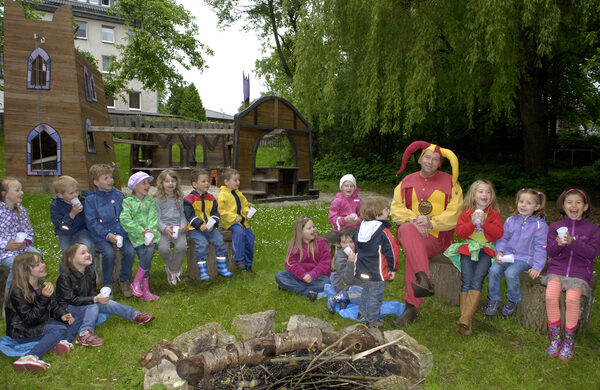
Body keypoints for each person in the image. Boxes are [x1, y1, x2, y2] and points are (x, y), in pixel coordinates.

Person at [390, 141, 462, 327]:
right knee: (406, 229)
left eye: (435, 159)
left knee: (413, 250)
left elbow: (455, 213)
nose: (430, 161)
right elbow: (396, 209)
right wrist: (414, 220)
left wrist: (431, 222)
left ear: (439, 163)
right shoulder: (406, 181)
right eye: (427, 157)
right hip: (412, 233)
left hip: (438, 237)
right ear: (421, 159)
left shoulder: (451, 183)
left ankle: (412, 306)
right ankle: (423, 280)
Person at [55, 243, 155, 348]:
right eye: (82, 253)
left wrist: (98, 297)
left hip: (85, 304)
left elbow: (92, 291)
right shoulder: (65, 277)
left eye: (88, 252)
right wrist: (94, 299)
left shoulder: (90, 272)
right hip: (69, 310)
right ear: (71, 259)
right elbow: (71, 299)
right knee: (93, 305)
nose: (88, 254)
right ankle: (84, 334)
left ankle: (135, 315)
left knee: (108, 303)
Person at [543, 189, 600, 361]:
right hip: (558, 270)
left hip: (580, 271)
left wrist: (573, 242)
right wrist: (560, 244)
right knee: (551, 296)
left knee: (572, 300)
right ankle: (555, 339)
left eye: (578, 202)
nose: (573, 205)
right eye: (569, 202)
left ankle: (568, 342)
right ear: (563, 205)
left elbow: (592, 253)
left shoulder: (593, 229)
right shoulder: (554, 226)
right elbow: (551, 252)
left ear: (585, 206)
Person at [443, 179, 503, 335]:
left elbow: (498, 234)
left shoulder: (494, 214)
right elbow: (461, 233)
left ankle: (465, 317)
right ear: (473, 194)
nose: (485, 195)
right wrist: (471, 222)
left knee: (477, 280)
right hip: (468, 248)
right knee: (467, 280)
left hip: (485, 250)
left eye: (488, 192)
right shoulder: (466, 212)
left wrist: (484, 224)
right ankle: (466, 322)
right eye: (481, 191)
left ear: (492, 195)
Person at [6, 252, 77, 372]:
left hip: (40, 322)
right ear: (26, 270)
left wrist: (62, 314)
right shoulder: (17, 291)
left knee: (71, 321)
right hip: (23, 331)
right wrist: (44, 298)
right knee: (60, 330)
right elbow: (30, 319)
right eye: (37, 264)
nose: (43, 265)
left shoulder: (42, 284)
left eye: (42, 262)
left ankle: (57, 343)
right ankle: (30, 356)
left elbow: (54, 306)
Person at [486, 188, 548, 317]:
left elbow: (540, 247)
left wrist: (537, 266)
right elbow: (503, 238)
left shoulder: (539, 225)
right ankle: (494, 298)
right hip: (508, 255)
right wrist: (500, 251)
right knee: (493, 270)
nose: (524, 205)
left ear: (536, 206)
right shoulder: (510, 220)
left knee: (511, 273)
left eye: (529, 203)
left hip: (525, 258)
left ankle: (513, 299)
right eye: (521, 201)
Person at [84, 164, 135, 297]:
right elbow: (92, 222)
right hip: (102, 235)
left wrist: (121, 232)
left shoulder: (118, 195)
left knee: (129, 251)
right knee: (108, 254)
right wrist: (107, 235)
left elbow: (124, 216)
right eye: (105, 178)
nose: (110, 180)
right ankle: (108, 283)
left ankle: (124, 279)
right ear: (95, 182)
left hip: (121, 233)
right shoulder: (91, 200)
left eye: (111, 177)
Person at [353, 196, 400, 328]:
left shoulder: (361, 228)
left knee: (367, 289)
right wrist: (393, 269)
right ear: (377, 213)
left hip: (362, 268)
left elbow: (356, 246)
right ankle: (372, 320)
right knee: (376, 295)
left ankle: (362, 312)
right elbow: (392, 250)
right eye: (386, 210)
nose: (388, 212)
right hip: (377, 270)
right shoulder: (382, 231)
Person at [184, 168, 232, 281]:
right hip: (194, 229)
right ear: (195, 184)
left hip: (209, 228)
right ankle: (203, 271)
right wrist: (199, 224)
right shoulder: (189, 199)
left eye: (208, 181)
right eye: (203, 181)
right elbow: (189, 215)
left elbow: (215, 213)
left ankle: (221, 267)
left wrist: (213, 224)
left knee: (220, 240)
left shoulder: (211, 198)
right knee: (202, 244)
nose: (207, 183)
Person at [120, 172, 161, 301]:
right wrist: (141, 231)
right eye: (144, 183)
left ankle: (138, 283)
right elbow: (125, 219)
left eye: (148, 183)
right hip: (136, 236)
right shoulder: (128, 202)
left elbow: (153, 217)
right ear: (135, 186)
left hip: (151, 234)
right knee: (145, 257)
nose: (147, 185)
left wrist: (150, 230)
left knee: (148, 252)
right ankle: (144, 290)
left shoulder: (150, 200)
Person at [0, 177, 40, 298]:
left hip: (21, 248)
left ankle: (33, 294)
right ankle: (10, 302)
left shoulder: (20, 210)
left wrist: (26, 242)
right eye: (17, 190)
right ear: (4, 194)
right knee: (17, 265)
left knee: (37, 256)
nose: (21, 192)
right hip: (3, 252)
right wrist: (6, 245)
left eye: (21, 189)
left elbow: (28, 231)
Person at [275, 216, 331, 300]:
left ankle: (291, 287)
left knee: (326, 282)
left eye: (313, 227)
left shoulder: (321, 242)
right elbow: (290, 264)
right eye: (309, 228)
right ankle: (307, 292)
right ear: (300, 232)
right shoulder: (295, 245)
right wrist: (303, 275)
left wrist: (312, 274)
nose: (313, 229)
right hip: (299, 276)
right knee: (280, 276)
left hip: (316, 277)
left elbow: (325, 263)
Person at [50, 175, 95, 272]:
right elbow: (60, 225)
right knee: (67, 255)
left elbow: (88, 218)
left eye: (76, 191)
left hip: (80, 229)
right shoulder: (56, 205)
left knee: (88, 246)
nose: (75, 195)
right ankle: (65, 277)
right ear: (60, 195)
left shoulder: (82, 201)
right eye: (71, 193)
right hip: (65, 233)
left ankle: (90, 273)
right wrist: (72, 214)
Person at [217, 168, 255, 272]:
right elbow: (221, 211)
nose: (238, 182)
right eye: (235, 180)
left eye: (238, 180)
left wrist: (247, 212)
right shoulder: (222, 195)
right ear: (226, 182)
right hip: (230, 223)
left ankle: (248, 264)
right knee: (239, 232)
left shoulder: (239, 194)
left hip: (242, 222)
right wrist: (233, 217)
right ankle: (239, 259)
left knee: (250, 238)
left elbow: (245, 206)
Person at [155, 169, 188, 286]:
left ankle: (171, 270)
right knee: (163, 249)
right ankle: (175, 269)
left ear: (176, 183)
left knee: (182, 247)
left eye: (173, 181)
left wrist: (184, 225)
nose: (170, 184)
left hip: (178, 228)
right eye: (167, 181)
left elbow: (183, 214)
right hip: (164, 229)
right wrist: (164, 228)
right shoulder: (158, 199)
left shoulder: (179, 197)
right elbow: (157, 218)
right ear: (161, 183)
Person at [326, 226, 365, 313]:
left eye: (351, 242)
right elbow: (348, 279)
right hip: (343, 284)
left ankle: (345, 299)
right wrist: (350, 262)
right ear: (340, 243)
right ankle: (338, 297)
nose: (348, 245)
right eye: (344, 242)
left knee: (372, 293)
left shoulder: (360, 254)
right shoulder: (340, 256)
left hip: (357, 284)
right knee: (366, 294)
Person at [325, 174, 362, 242]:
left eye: (352, 186)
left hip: (356, 230)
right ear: (341, 187)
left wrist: (359, 220)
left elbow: (363, 215)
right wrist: (344, 219)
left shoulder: (358, 201)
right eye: (346, 185)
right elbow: (332, 218)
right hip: (341, 231)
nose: (349, 188)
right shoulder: (337, 201)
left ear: (355, 187)